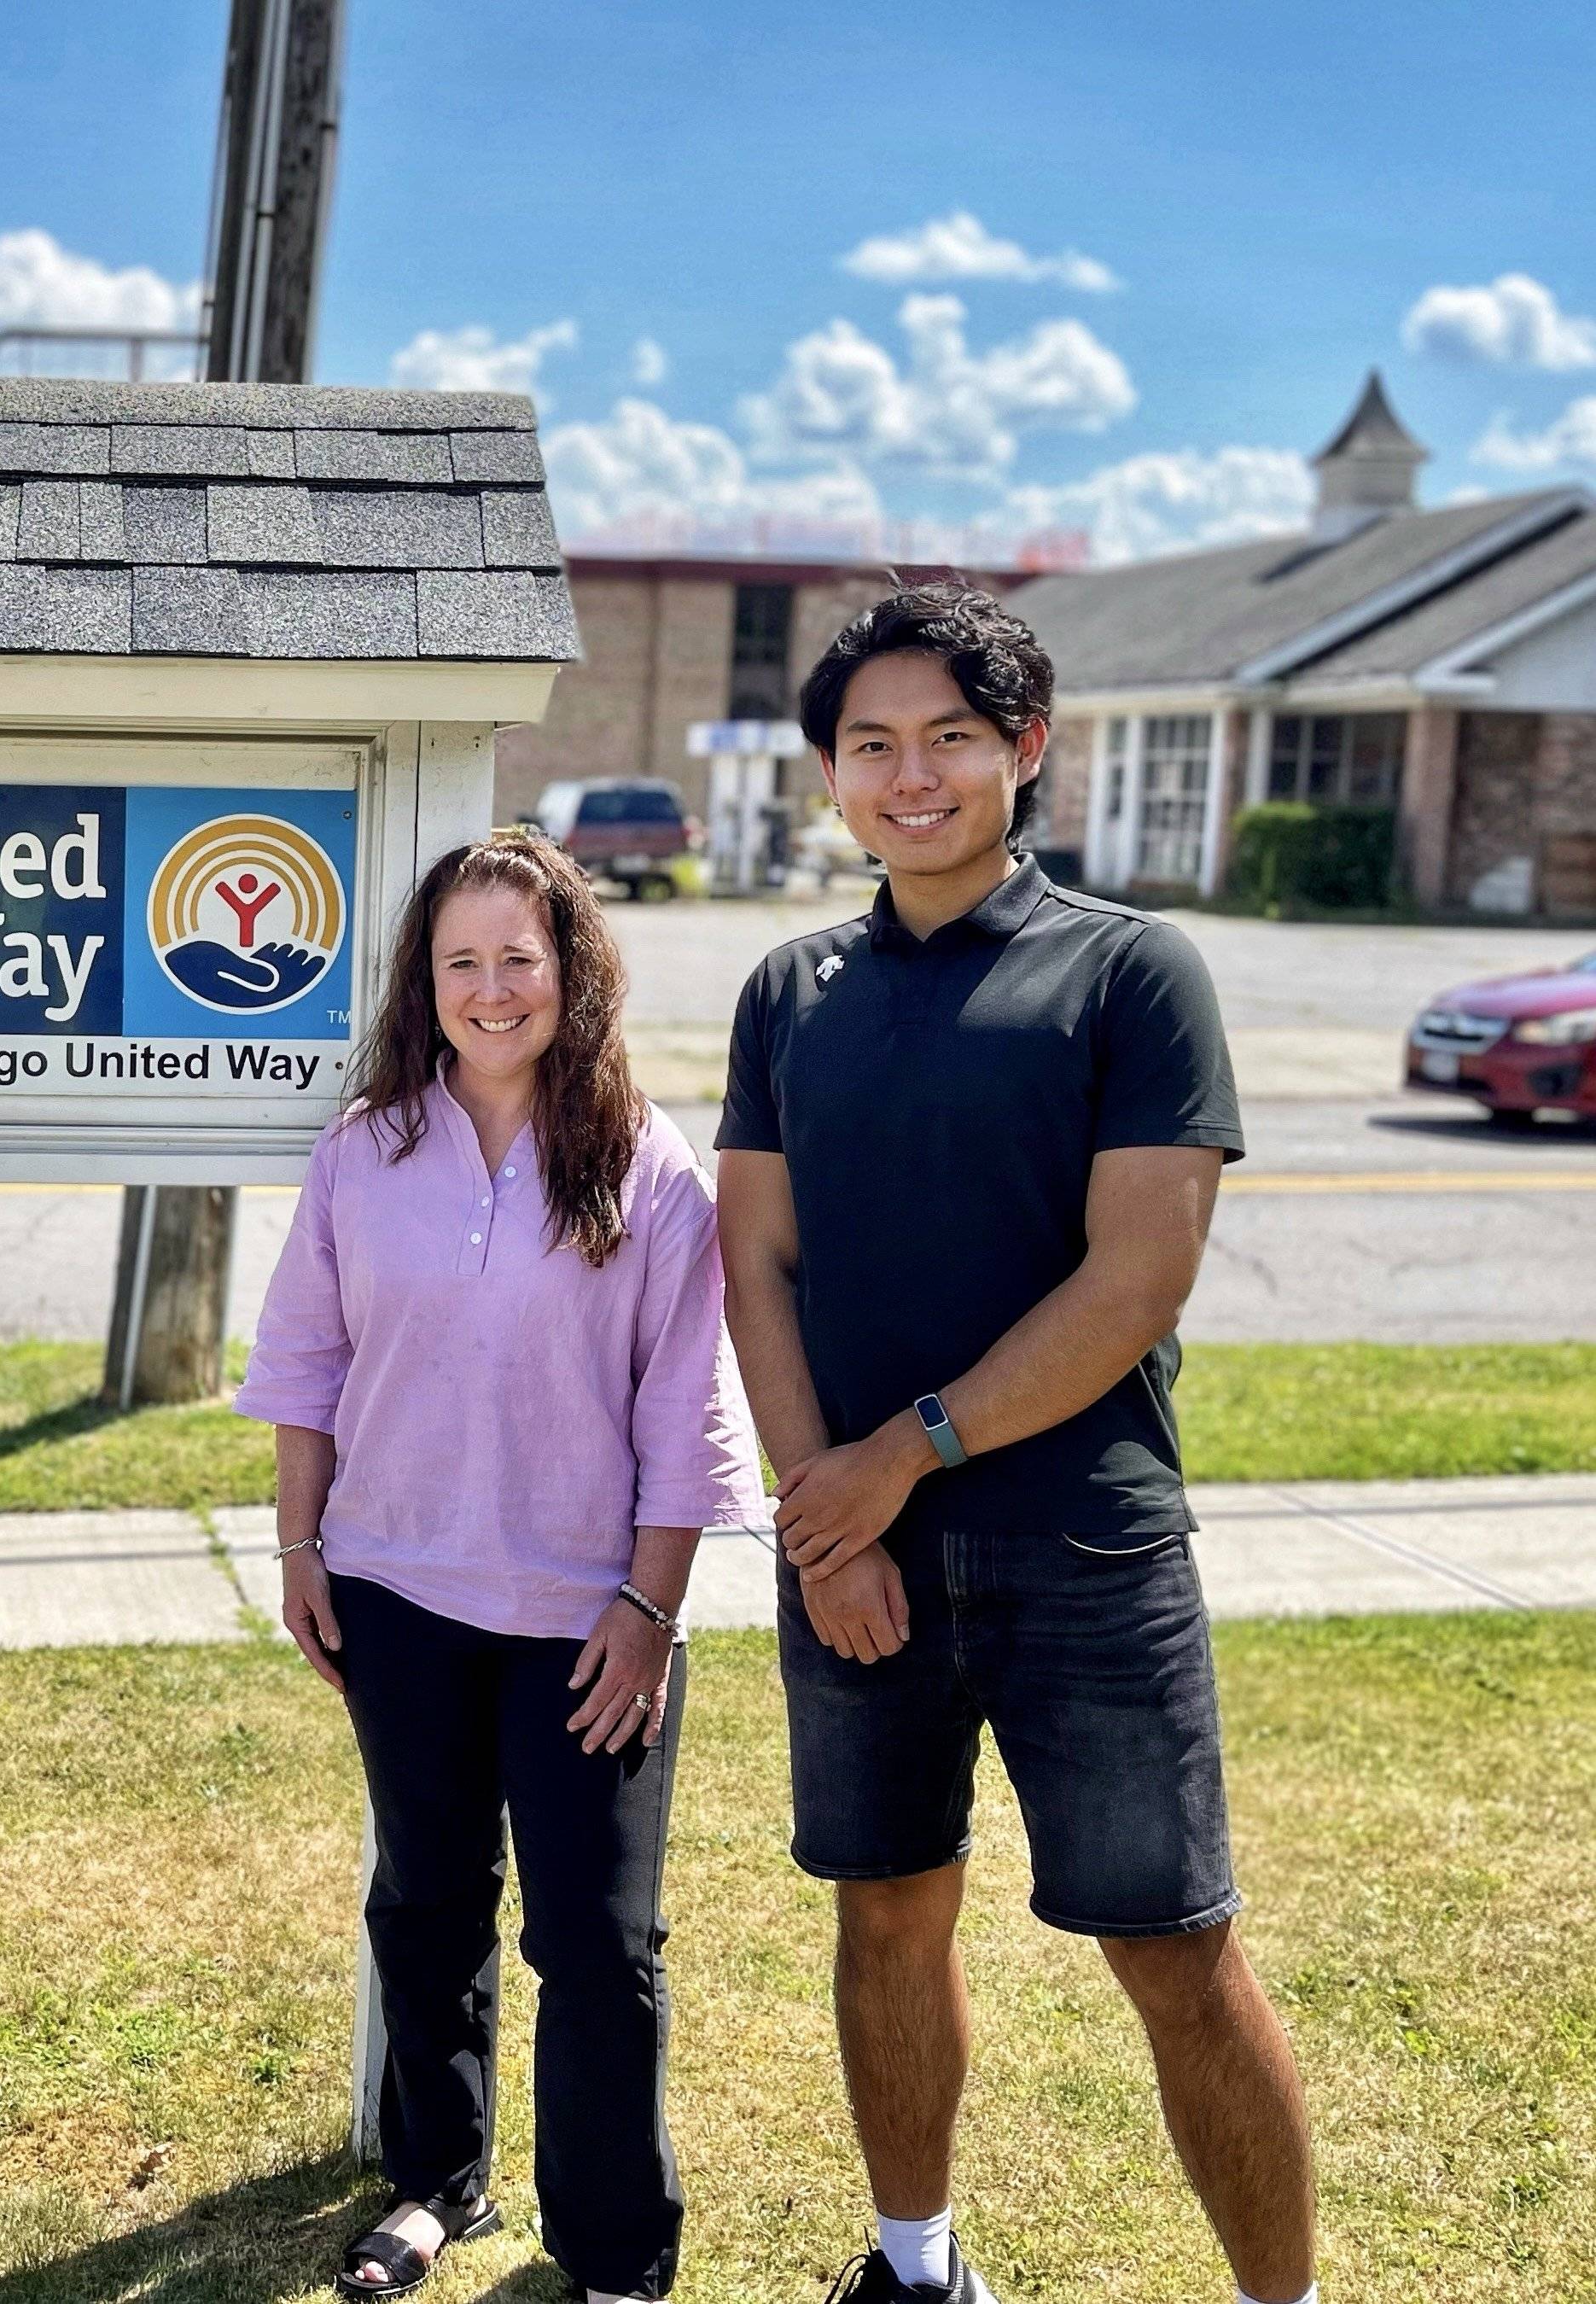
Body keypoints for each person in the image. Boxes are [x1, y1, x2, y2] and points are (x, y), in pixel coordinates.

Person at [714, 585, 1315, 2304]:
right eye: (874, 747)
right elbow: (752, 1258)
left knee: (1174, 1948)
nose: (914, 778)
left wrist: (900, 1453)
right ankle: (916, 2270)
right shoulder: (789, 991)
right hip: (861, 1547)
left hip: (1086, 1544)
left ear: (1024, 751)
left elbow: (1137, 1278)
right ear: (830, 776)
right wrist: (827, 1523)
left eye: (952, 741)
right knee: (886, 1913)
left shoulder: (1131, 971)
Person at [239, 831, 768, 2304]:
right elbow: (305, 1362)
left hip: (586, 1619)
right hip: (398, 1593)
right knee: (425, 1903)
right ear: (429, 980)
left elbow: (686, 1406)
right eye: (462, 962)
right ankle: (434, 2184)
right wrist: (302, 1544)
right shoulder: (367, 1149)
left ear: (569, 971)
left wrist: (651, 1610)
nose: (490, 989)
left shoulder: (645, 1163)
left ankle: (612, 2251)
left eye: (517, 960)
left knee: (598, 1941)